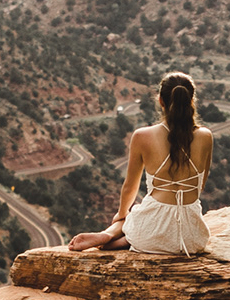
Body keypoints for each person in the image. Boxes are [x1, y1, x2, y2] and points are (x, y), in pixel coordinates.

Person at [68, 71, 213, 256]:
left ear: (161, 101)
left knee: (133, 214)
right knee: (153, 218)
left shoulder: (142, 136)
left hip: (152, 232)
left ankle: (110, 235)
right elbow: (199, 186)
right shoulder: (206, 137)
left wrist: (121, 215)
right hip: (192, 239)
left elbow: (130, 186)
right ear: (191, 100)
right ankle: (124, 239)